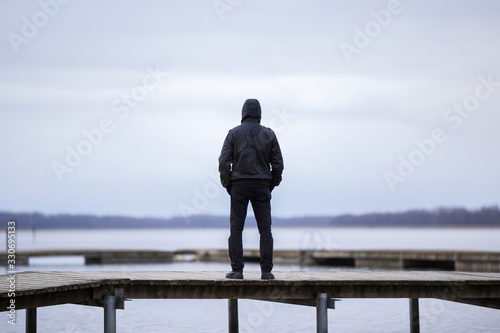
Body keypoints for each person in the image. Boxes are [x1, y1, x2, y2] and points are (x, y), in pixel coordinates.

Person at [218, 98, 284, 280]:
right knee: (265, 229)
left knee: (236, 229)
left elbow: (223, 162)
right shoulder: (269, 134)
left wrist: (228, 184)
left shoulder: (233, 133)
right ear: (259, 114)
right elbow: (278, 164)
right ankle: (266, 271)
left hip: (239, 185)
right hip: (262, 185)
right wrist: (271, 184)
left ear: (243, 113)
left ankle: (237, 271)